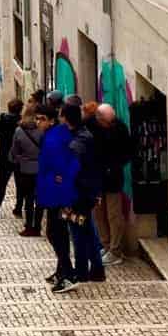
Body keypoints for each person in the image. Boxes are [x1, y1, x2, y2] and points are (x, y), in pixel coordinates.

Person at [36, 104, 79, 293]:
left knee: (57, 233)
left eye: (42, 119)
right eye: (37, 118)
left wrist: (61, 179)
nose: (38, 122)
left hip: (59, 196)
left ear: (52, 120)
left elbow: (64, 165)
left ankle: (68, 274)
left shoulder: (55, 138)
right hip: (53, 193)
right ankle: (62, 270)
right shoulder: (52, 135)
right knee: (55, 232)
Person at [65, 102, 105, 283]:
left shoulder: (79, 140)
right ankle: (97, 270)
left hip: (77, 196)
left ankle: (82, 271)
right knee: (87, 229)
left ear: (66, 119)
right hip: (86, 194)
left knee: (77, 232)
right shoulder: (84, 135)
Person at [93, 103, 133, 267]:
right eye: (107, 122)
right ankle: (106, 245)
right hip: (97, 179)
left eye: (111, 121)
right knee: (99, 213)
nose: (110, 124)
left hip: (113, 180)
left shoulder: (120, 129)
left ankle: (116, 251)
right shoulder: (94, 127)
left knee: (114, 215)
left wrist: (113, 166)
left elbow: (127, 152)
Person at [10, 104, 44, 236]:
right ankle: (37, 226)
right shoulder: (42, 131)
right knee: (40, 199)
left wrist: (21, 160)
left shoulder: (19, 131)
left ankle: (29, 226)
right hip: (41, 169)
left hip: (25, 170)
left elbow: (14, 152)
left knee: (28, 200)